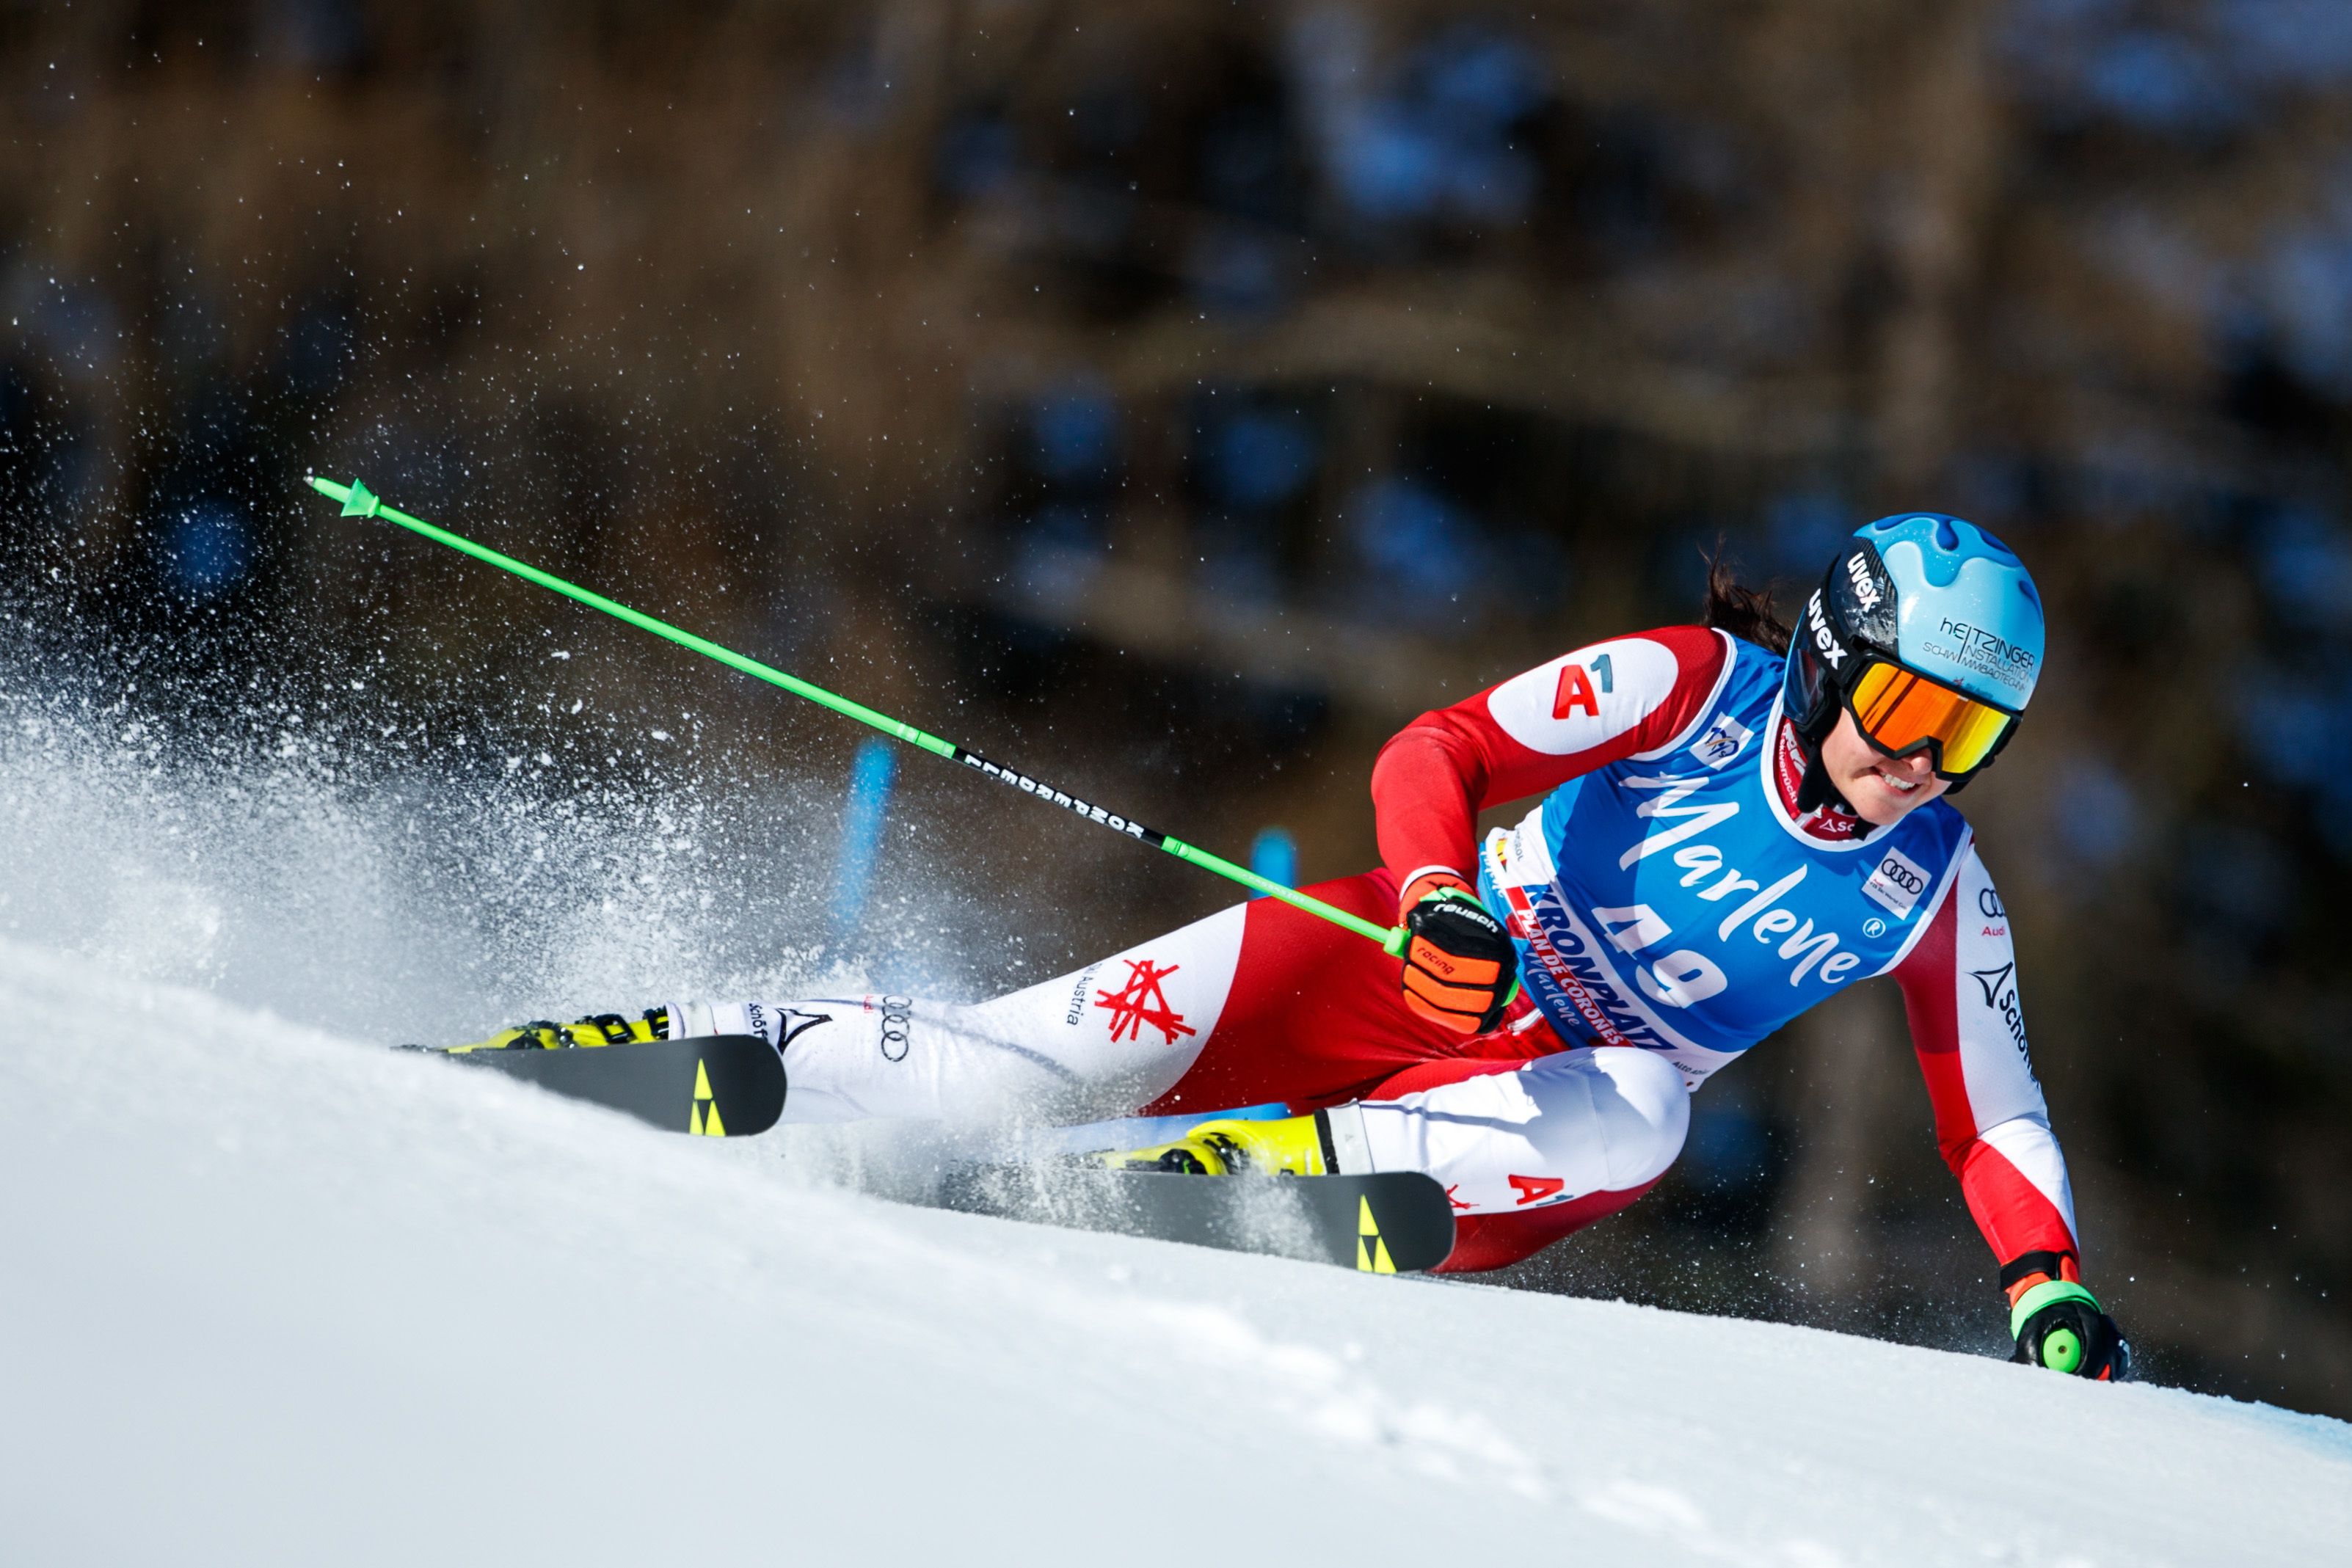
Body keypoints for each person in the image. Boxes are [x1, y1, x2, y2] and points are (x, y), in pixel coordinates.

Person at [464, 511, 2128, 1380]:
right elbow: (1440, 753)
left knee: (1645, 1102)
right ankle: (628, 1064)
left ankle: (1225, 1177)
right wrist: (1433, 896)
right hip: (1399, 963)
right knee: (1005, 1062)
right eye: (1908, 704)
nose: (1919, 757)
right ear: (1836, 658)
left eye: (1968, 736)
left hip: (1515, 1124)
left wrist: (2044, 1285)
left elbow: (1991, 1111)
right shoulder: (1697, 685)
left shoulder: (1930, 886)